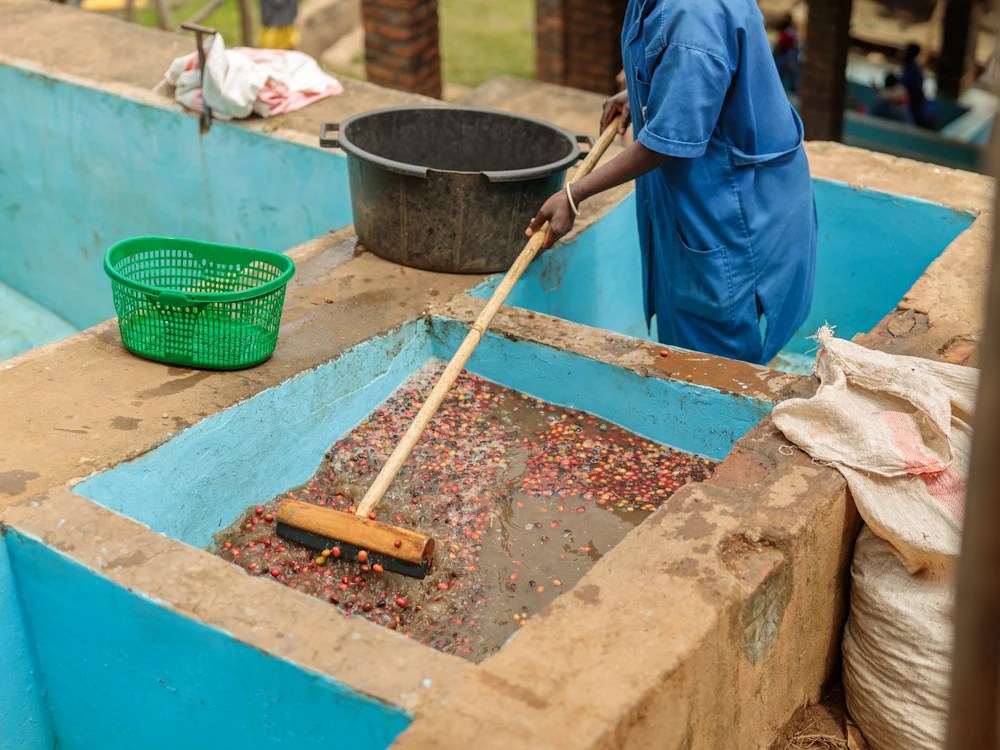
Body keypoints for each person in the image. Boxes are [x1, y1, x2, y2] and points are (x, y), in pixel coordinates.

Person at [526, 0, 816, 367]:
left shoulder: (692, 17)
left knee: (712, 368)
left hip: (732, 210)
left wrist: (574, 194)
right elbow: (692, 75)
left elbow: (669, 145)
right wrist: (646, 93)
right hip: (711, 195)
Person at [900, 43, 932, 128]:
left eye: (906, 51)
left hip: (915, 105)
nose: (903, 53)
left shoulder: (915, 70)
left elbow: (915, 89)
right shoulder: (907, 67)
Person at [772, 14, 801, 94]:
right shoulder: (791, 32)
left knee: (786, 75)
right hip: (786, 56)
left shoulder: (788, 33)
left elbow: (780, 45)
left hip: (785, 56)